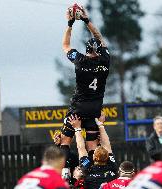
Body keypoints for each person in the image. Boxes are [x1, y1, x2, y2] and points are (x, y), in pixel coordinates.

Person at [59, 5, 110, 158]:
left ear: (86, 50)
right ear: (99, 50)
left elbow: (65, 45)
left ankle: (66, 171)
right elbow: (99, 37)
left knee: (64, 142)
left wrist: (70, 23)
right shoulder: (105, 60)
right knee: (92, 146)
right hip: (95, 109)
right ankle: (92, 171)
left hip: (78, 108)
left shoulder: (80, 61)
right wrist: (87, 20)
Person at [68, 113, 118, 189]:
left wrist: (77, 128)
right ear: (107, 157)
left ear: (93, 157)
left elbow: (81, 148)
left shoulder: (86, 167)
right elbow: (107, 146)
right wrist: (100, 125)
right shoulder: (112, 166)